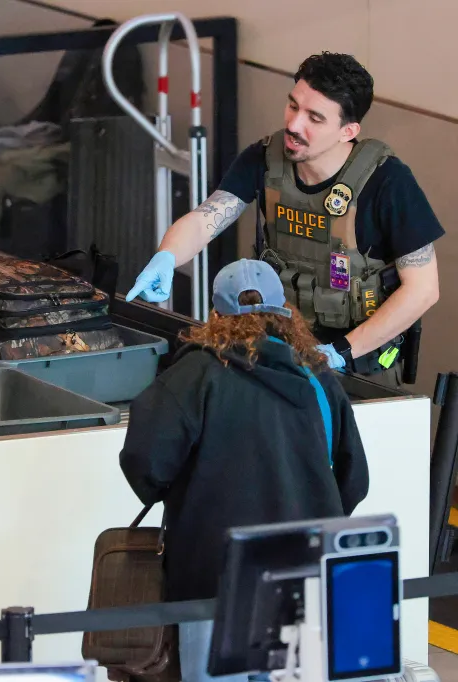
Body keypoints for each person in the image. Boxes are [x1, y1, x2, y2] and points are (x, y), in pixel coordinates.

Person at [126, 52, 443, 387]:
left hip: (358, 366)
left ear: (347, 131)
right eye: (293, 106)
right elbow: (207, 218)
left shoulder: (387, 182)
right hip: (281, 353)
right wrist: (167, 256)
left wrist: (339, 353)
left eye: (314, 118)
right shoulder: (265, 159)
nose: (293, 125)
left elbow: (423, 289)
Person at [119, 258, 370, 682]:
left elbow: (145, 462)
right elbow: (353, 480)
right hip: (303, 578)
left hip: (212, 583)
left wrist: (186, 497)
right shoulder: (319, 381)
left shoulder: (195, 376)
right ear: (285, 313)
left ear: (215, 315)